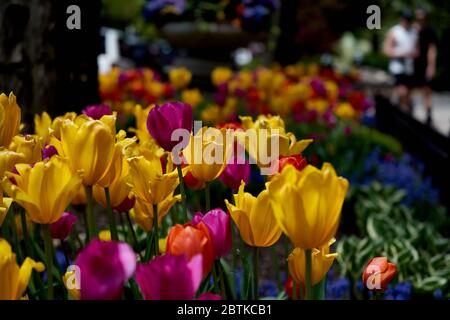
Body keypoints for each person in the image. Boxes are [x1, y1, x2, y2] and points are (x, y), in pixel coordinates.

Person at [383, 10, 418, 112]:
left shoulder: (414, 32)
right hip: (397, 67)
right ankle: (402, 111)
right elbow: (387, 50)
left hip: (410, 67)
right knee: (402, 91)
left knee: (408, 94)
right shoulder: (395, 31)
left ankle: (405, 111)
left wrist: (413, 54)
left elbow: (417, 50)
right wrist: (400, 54)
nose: (406, 21)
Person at [413, 7, 438, 125]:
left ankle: (428, 115)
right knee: (408, 90)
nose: (420, 20)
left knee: (426, 90)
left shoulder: (430, 31)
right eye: (418, 18)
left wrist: (431, 66)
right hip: (411, 64)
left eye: (422, 18)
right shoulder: (412, 30)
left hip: (424, 64)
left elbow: (432, 50)